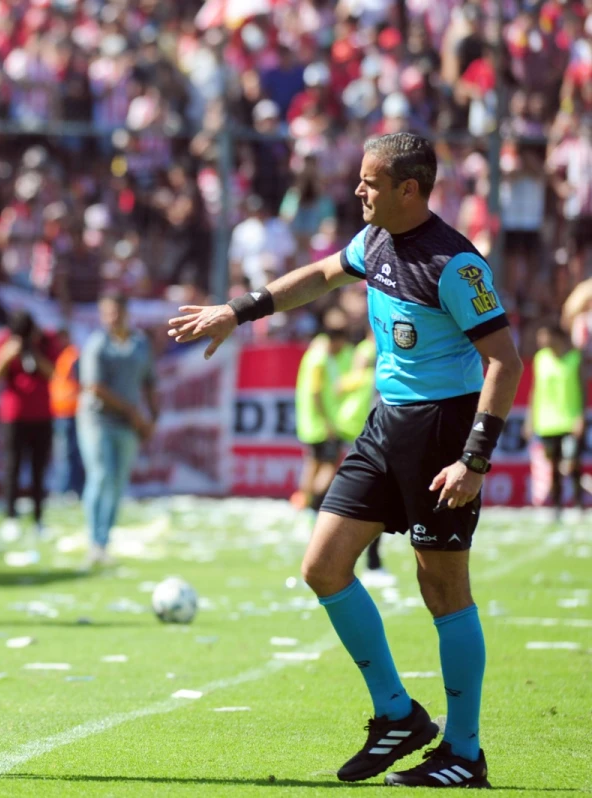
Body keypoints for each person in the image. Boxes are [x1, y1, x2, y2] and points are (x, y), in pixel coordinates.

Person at [171, 133, 522, 787]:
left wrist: (475, 461)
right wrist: (237, 311)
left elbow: (505, 359)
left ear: (408, 189)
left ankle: (466, 754)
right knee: (323, 565)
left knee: (442, 590)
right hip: (386, 425)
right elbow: (321, 275)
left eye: (369, 181)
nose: (357, 190)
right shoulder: (376, 242)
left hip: (443, 432)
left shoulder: (455, 263)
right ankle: (398, 714)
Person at [77, 294, 158, 567]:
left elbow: (149, 382)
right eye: (107, 312)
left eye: (116, 312)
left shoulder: (140, 345)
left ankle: (104, 541)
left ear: (125, 313)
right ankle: (94, 540)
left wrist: (153, 418)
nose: (112, 318)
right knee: (101, 476)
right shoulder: (97, 344)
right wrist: (133, 413)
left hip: (128, 425)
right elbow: (94, 387)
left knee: (117, 483)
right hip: (97, 420)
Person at [0, 309, 59, 542]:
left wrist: (34, 353)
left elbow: (53, 373)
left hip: (42, 414)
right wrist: (9, 352)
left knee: (39, 469)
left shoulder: (46, 340)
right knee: (13, 467)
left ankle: (38, 518)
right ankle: (10, 517)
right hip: (14, 415)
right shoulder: (5, 340)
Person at [335, 330, 395, 588]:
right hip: (368, 431)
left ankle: (368, 560)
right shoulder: (372, 351)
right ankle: (369, 561)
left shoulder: (373, 352)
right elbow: (348, 383)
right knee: (374, 497)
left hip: (370, 429)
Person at [294, 310, 353, 519]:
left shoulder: (316, 352)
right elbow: (316, 392)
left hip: (311, 423)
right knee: (327, 465)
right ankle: (312, 506)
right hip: (322, 423)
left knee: (312, 464)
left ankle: (303, 503)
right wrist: (328, 422)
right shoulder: (320, 358)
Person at [528, 323, 587, 518]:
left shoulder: (575, 358)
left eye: (544, 336)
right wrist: (530, 419)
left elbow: (583, 390)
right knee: (552, 467)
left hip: (570, 421)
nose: (540, 341)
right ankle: (557, 508)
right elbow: (534, 390)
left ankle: (579, 506)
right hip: (546, 423)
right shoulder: (540, 359)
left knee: (572, 464)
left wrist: (581, 416)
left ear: (556, 336)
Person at [49, 328, 85, 498]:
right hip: (62, 411)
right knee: (65, 454)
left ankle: (69, 491)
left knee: (69, 454)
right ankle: (69, 490)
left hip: (72, 411)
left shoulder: (72, 355)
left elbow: (82, 381)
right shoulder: (63, 356)